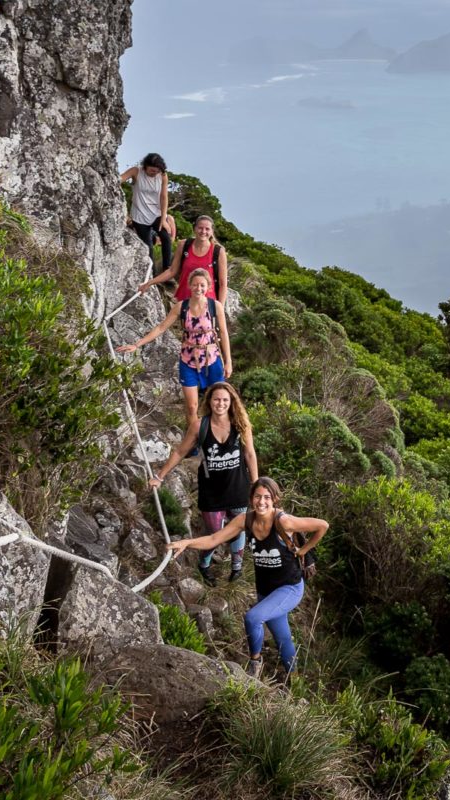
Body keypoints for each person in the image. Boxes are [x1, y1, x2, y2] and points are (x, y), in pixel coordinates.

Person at [168, 477, 327, 677]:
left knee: (252, 618)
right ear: (251, 499)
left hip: (289, 588)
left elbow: (322, 525)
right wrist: (186, 543)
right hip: (265, 591)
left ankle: (255, 663)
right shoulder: (246, 520)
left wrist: (304, 550)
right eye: (258, 497)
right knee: (283, 638)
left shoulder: (283, 521)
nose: (262, 502)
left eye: (267, 497)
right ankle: (294, 682)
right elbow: (214, 539)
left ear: (275, 499)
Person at [149, 381, 257, 585]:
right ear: (209, 401)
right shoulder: (200, 425)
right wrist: (159, 476)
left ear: (232, 402)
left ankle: (237, 567)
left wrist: (257, 483)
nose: (221, 403)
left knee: (238, 528)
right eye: (217, 399)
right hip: (211, 491)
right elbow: (181, 451)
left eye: (225, 400)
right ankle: (204, 565)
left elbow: (250, 454)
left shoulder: (240, 424)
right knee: (214, 532)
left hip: (237, 487)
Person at [117, 268, 232, 423]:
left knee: (219, 403)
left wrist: (228, 361)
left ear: (208, 287)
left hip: (212, 359)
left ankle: (217, 437)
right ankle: (194, 441)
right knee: (192, 407)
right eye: (196, 284)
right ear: (189, 286)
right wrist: (137, 344)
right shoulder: (181, 307)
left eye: (202, 285)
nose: (199, 288)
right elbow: (161, 328)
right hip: (188, 360)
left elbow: (224, 333)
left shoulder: (215, 306)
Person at [138, 214, 228, 306]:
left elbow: (222, 284)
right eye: (200, 228)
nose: (203, 231)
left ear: (212, 231)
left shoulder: (218, 251)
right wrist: (149, 283)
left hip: (207, 305)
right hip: (183, 301)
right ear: (195, 228)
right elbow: (172, 271)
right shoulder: (184, 245)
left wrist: (220, 310)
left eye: (207, 229)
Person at [120, 153, 172, 273]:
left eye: (156, 171)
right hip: (139, 214)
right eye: (152, 171)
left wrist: (164, 219)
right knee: (148, 246)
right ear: (145, 167)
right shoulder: (136, 171)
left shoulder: (163, 176)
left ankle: (167, 270)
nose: (154, 173)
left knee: (166, 237)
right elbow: (120, 179)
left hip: (156, 213)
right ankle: (152, 275)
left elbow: (164, 197)